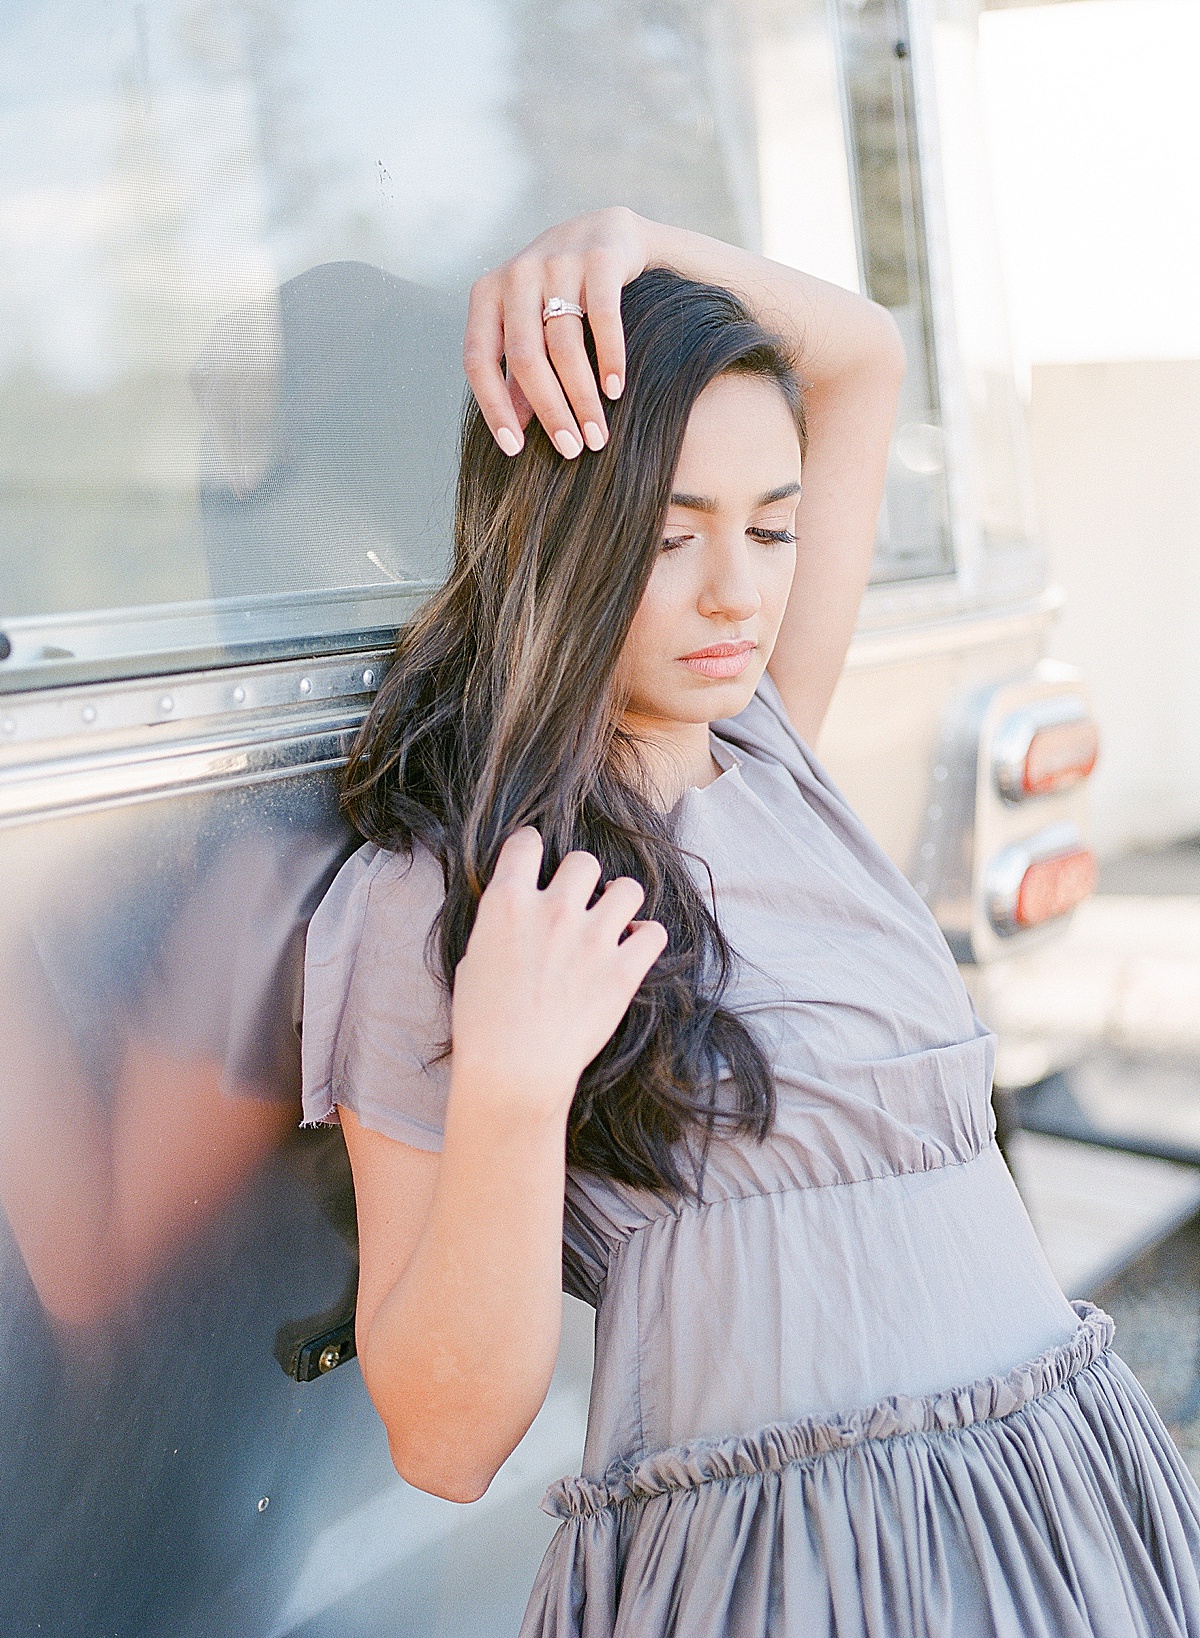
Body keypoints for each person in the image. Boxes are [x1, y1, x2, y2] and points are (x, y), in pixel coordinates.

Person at [301, 208, 1200, 1636]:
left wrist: (628, 243)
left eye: (775, 525)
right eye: (671, 539)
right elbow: (446, 1438)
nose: (742, 590)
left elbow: (862, 351)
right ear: (562, 540)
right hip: (797, 1578)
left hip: (1061, 1505)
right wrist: (518, 1095)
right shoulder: (439, 896)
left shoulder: (775, 747)